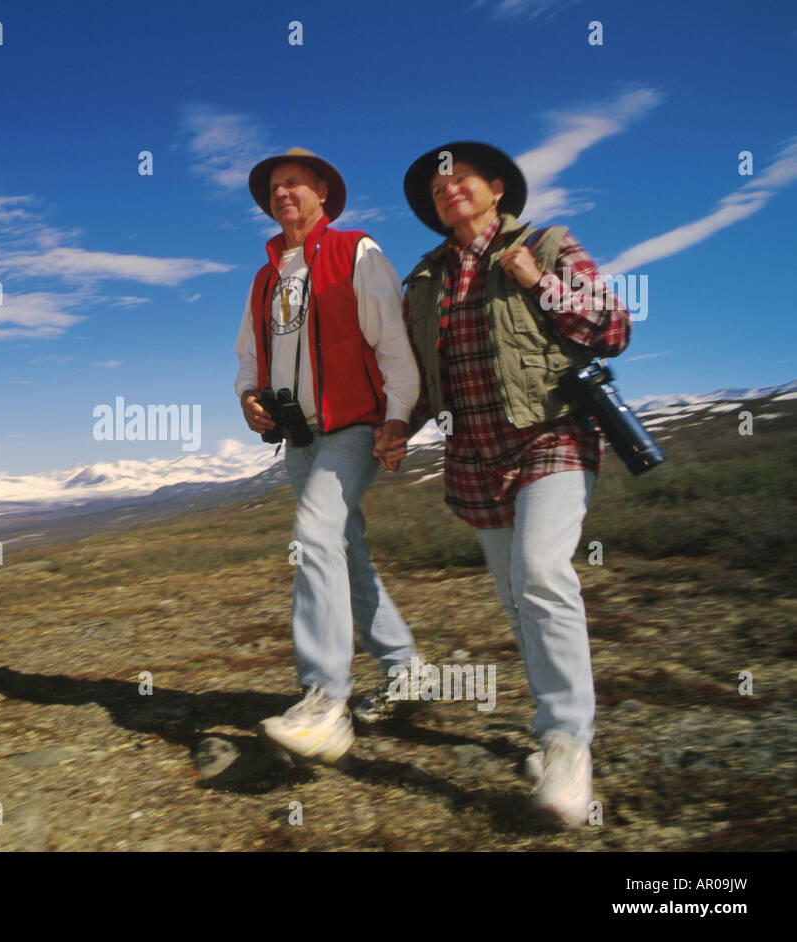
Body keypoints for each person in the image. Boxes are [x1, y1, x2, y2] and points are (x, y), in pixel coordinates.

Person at [385, 141, 631, 825]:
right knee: (518, 599)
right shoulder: (425, 281)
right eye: (438, 187)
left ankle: (566, 743)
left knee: (541, 574)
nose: (449, 190)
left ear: (496, 187)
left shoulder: (548, 245)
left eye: (461, 179)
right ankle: (557, 734)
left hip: (551, 436)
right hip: (475, 455)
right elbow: (421, 376)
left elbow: (613, 327)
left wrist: (537, 283)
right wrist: (397, 425)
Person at [234, 147, 422, 764]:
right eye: (274, 187)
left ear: (322, 192)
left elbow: (391, 342)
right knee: (343, 551)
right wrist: (249, 399)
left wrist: (398, 418)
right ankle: (405, 670)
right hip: (299, 436)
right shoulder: (264, 277)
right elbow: (248, 358)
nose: (282, 194)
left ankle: (324, 701)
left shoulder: (356, 252)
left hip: (356, 428)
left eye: (294, 184)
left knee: (314, 536)